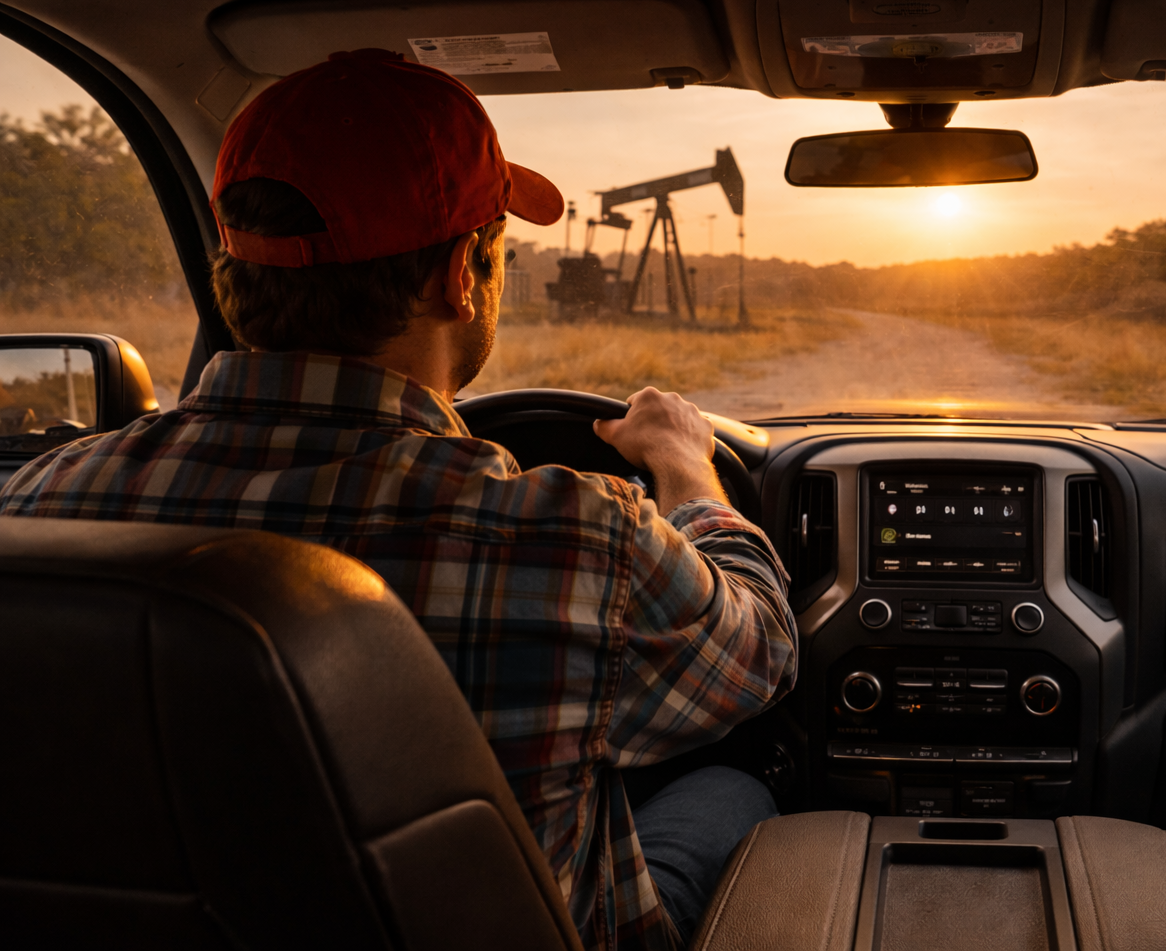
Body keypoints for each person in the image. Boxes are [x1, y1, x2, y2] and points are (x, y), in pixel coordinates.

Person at [0, 49, 796, 951]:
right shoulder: (578, 536)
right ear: (463, 273)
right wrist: (685, 466)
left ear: (234, 267)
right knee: (733, 785)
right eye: (498, 247)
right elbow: (759, 654)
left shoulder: (40, 502)